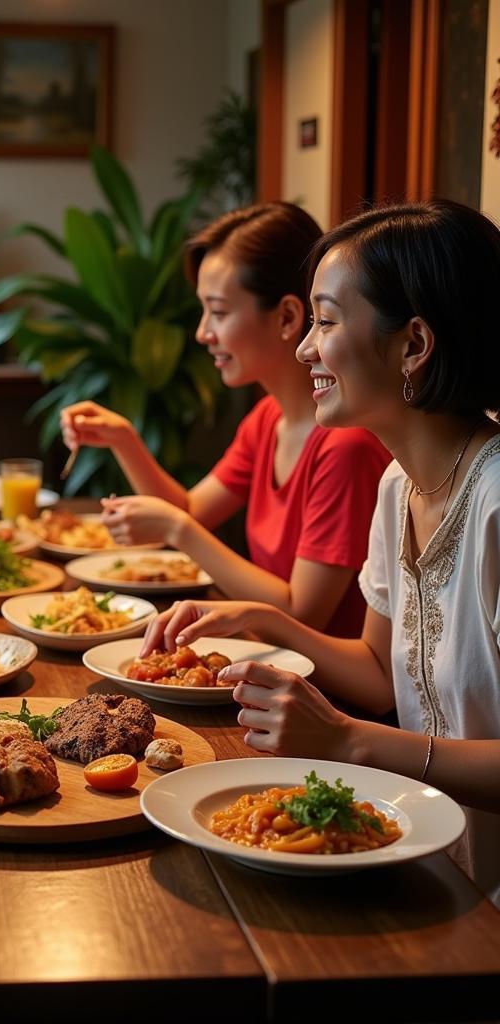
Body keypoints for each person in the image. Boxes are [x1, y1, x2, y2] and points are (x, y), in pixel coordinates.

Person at [144, 199, 500, 904]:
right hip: (418, 861)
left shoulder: (495, 502)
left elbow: (363, 723)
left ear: (414, 345)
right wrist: (265, 622)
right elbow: (375, 669)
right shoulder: (400, 485)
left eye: (327, 321)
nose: (306, 347)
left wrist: (351, 742)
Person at [60, 202, 391, 637]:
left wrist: (179, 530)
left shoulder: (346, 447)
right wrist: (123, 439)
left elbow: (303, 613)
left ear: (288, 317)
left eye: (218, 312)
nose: (202, 333)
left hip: (316, 692)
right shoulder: (268, 418)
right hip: (264, 658)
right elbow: (191, 511)